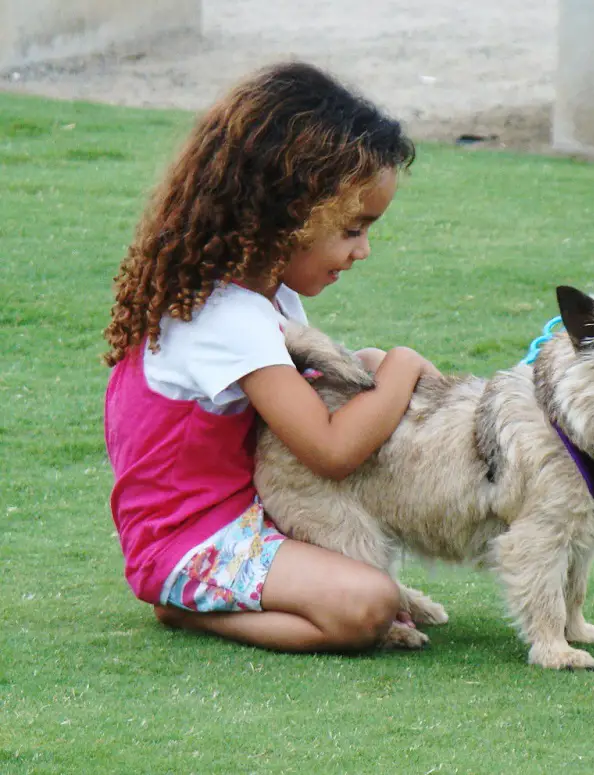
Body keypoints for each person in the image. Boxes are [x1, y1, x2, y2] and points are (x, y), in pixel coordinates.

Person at [103, 62, 438, 652]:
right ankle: (190, 610)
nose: (363, 251)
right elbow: (330, 451)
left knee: (372, 580)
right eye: (354, 229)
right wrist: (403, 365)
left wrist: (366, 364)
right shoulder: (225, 317)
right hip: (188, 542)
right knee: (369, 606)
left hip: (249, 514)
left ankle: (225, 593)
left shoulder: (263, 297)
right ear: (289, 214)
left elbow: (303, 394)